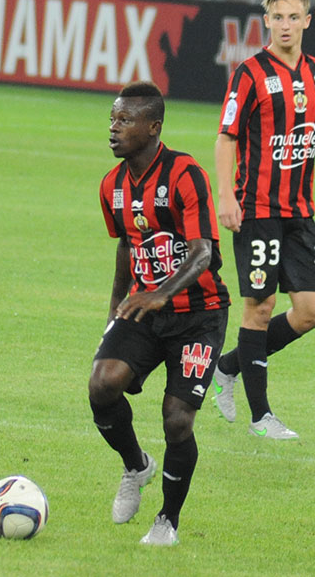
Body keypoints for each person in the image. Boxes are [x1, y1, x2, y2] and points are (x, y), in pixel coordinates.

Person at [212, 0, 315, 439]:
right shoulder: (250, 73)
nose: (285, 25)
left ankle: (228, 367)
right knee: (259, 307)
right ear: (267, 21)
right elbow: (227, 138)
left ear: (307, 21)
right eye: (277, 17)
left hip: (300, 211)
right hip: (257, 208)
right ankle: (262, 416)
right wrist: (226, 195)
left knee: (312, 310)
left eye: (294, 17)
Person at [90, 81, 230, 545]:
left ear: (153, 127)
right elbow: (127, 247)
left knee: (177, 418)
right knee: (103, 384)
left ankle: (167, 521)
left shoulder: (185, 174)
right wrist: (115, 310)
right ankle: (136, 466)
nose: (113, 128)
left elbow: (203, 253)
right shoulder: (112, 186)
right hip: (144, 309)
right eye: (112, 119)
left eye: (124, 121)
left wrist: (160, 293)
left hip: (200, 314)